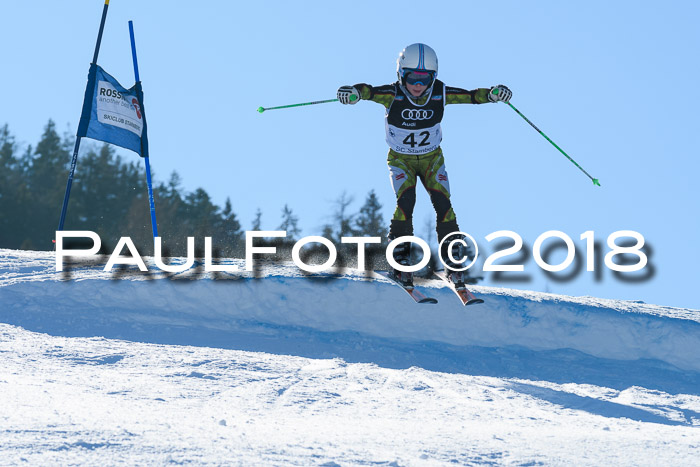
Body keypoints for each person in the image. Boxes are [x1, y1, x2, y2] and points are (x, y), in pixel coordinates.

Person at [337, 43, 511, 288]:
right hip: (401, 160)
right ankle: (400, 261)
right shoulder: (393, 94)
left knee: (443, 204)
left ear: (434, 78)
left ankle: (454, 265)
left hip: (432, 159)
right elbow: (368, 91)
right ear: (401, 74)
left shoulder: (439, 93)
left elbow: (471, 96)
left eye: (425, 79)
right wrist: (353, 93)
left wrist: (493, 95)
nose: (418, 85)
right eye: (412, 78)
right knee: (406, 202)